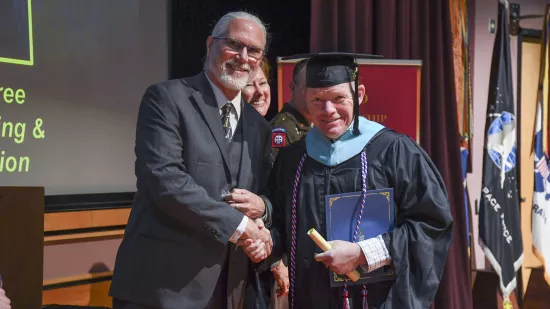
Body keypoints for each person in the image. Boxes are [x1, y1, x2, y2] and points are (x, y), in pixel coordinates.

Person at [240, 53, 453, 309]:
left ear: (359, 94)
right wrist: (266, 240)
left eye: (338, 98)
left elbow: (431, 226)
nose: (328, 111)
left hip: (377, 301)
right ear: (305, 98)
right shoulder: (293, 160)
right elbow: (283, 225)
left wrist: (362, 253)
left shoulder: (394, 152)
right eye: (317, 99)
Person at [109, 11, 274, 309]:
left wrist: (263, 215)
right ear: (211, 44)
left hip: (230, 290)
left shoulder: (259, 127)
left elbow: (263, 194)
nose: (243, 57)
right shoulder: (167, 99)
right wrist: (239, 226)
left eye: (254, 50)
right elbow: (164, 180)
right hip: (163, 288)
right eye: (234, 45)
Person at [269, 58, 312, 156]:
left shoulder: (315, 125)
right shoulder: (283, 128)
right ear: (292, 87)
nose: (314, 95)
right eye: (308, 88)